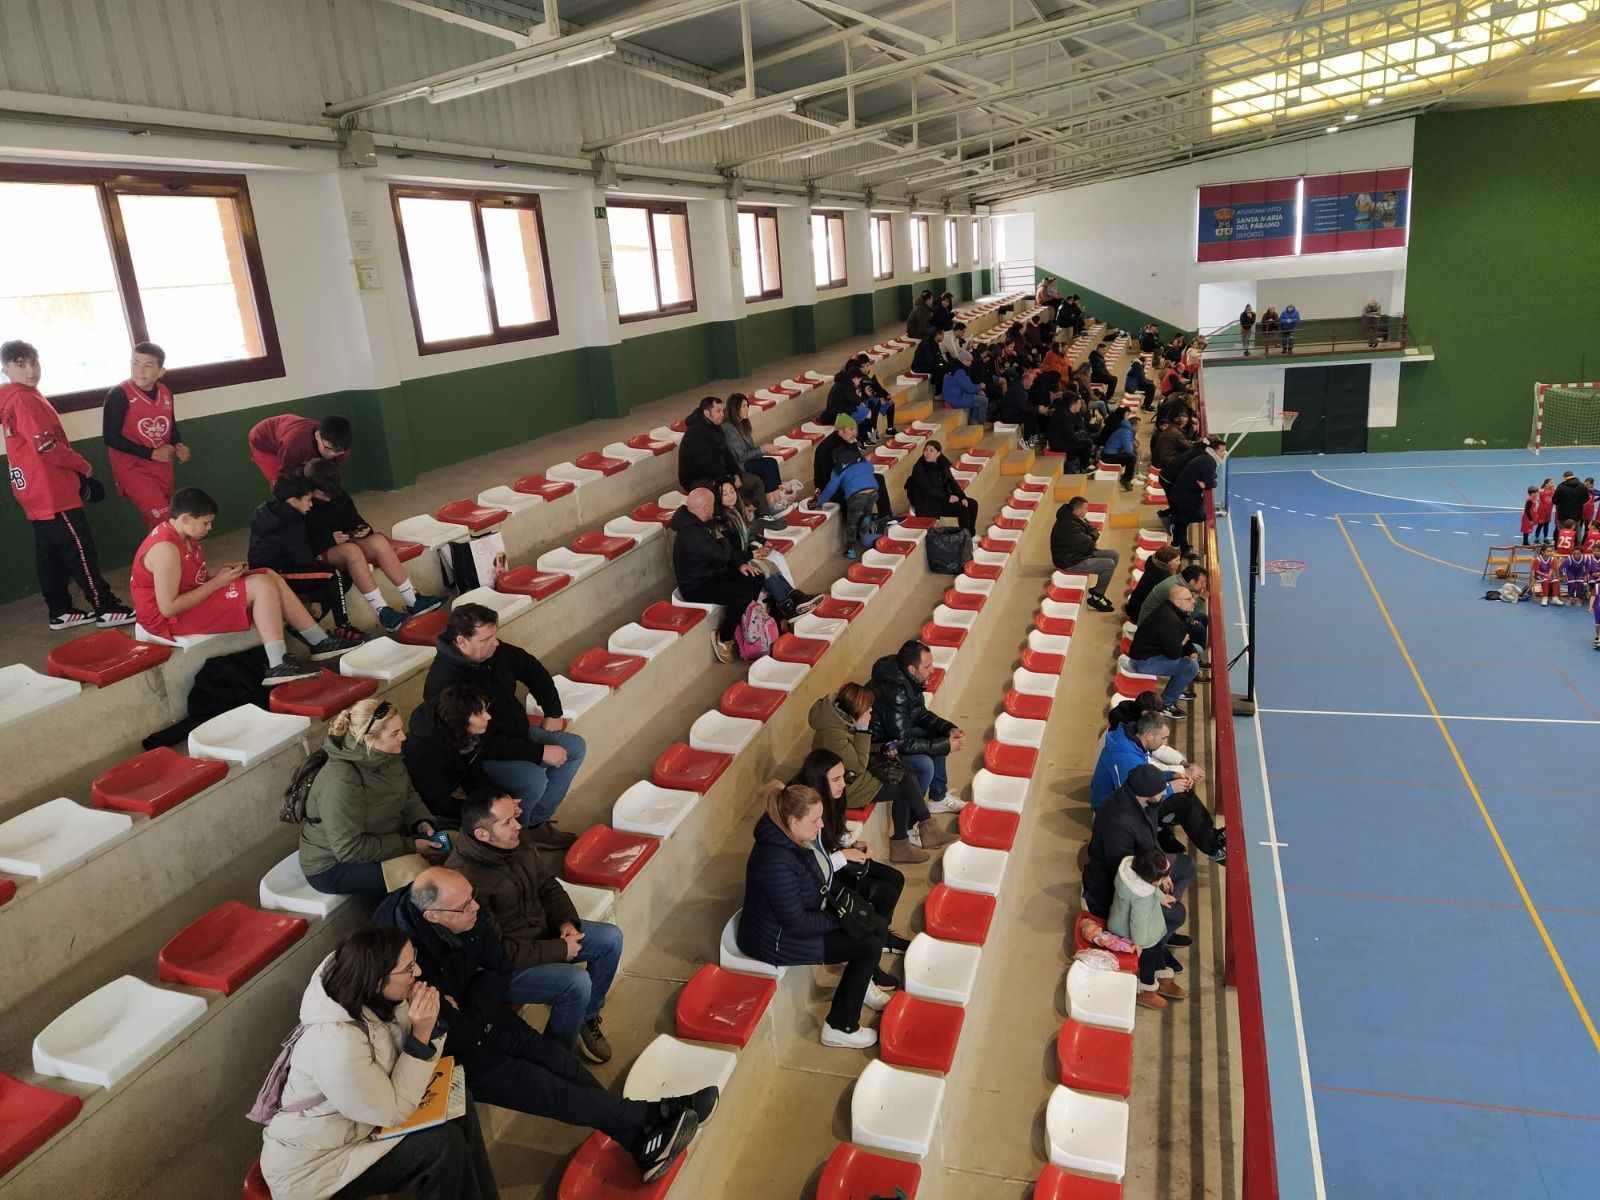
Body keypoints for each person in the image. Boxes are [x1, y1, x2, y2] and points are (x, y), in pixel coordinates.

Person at [375, 869, 712, 1182]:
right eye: (466, 906)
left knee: (560, 1062)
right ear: (433, 916)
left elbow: (498, 967)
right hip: (451, 1055)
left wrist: (470, 1004)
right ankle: (662, 1110)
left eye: (473, 896)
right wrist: (474, 1003)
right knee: (550, 1090)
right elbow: (456, 1032)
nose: (476, 907)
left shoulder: (461, 911)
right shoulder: (400, 954)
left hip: (485, 1016)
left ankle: (640, 1142)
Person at [255, 925, 499, 1200]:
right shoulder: (336, 1043)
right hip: (315, 1167)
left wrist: (429, 1024)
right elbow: (392, 1111)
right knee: (440, 1146)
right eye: (408, 968)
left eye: (414, 960)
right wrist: (422, 1033)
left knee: (459, 1101)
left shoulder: (379, 997)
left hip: (357, 1130)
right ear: (376, 980)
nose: (417, 972)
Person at [448, 788, 623, 1063]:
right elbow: (497, 952)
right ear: (482, 834)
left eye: (515, 817)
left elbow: (547, 886)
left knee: (610, 939)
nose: (518, 825)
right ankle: (555, 1057)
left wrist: (565, 921)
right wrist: (558, 949)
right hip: (504, 967)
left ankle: (586, 1017)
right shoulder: (465, 881)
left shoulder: (514, 841)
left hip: (540, 935)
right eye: (507, 822)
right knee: (576, 983)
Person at [131, 487, 361, 685]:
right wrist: (218, 583)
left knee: (266, 574)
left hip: (188, 601)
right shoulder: (165, 549)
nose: (209, 528)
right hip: (168, 621)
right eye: (206, 523)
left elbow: (188, 577)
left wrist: (217, 573)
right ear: (186, 518)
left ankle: (319, 642)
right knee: (260, 586)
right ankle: (277, 664)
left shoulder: (185, 536)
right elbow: (169, 607)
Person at [736, 782, 892, 1049]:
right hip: (776, 940)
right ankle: (840, 1027)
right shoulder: (775, 861)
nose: (821, 825)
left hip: (803, 915)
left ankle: (861, 982)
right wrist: (840, 919)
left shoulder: (792, 837)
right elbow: (796, 924)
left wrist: (847, 914)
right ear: (794, 822)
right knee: (867, 945)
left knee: (874, 924)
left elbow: (816, 880)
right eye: (815, 820)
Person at [422, 604, 586, 845]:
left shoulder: (492, 652)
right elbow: (478, 743)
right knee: (532, 779)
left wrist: (553, 712)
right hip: (479, 757)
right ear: (462, 641)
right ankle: (519, 839)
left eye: (495, 635)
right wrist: (539, 752)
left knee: (575, 747)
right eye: (487, 638)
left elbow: (532, 669)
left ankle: (533, 824)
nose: (496, 643)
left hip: (516, 733)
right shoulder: (445, 683)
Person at [1, 339, 135, 631]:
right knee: (80, 550)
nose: (30, 370)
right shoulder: (23, 399)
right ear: (6, 369)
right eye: (21, 365)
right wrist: (83, 467)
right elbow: (46, 445)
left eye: (34, 362)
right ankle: (106, 606)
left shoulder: (16, 398)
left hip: (34, 493)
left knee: (49, 555)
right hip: (53, 493)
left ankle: (60, 610)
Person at [299, 697, 446, 896]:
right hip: (333, 865)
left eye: (400, 729)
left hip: (380, 838)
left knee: (454, 840)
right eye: (395, 733)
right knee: (425, 877)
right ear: (369, 739)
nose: (403, 737)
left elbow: (408, 793)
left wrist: (420, 822)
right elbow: (349, 849)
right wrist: (410, 845)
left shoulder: (387, 755)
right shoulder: (341, 782)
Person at [1083, 765, 1192, 1008]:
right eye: (1160, 792)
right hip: (1112, 892)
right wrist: (1156, 893)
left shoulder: (1140, 801)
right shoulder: (1119, 823)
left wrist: (1161, 875)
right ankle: (1149, 974)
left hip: (1145, 872)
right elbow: (1125, 881)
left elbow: (1146, 846)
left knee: (1185, 866)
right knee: (1174, 914)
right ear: (1146, 795)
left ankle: (1162, 943)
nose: (1164, 794)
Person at [808, 683, 949, 864]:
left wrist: (881, 748)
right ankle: (912, 837)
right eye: (868, 708)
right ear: (856, 709)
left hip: (852, 777)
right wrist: (863, 730)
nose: (871, 710)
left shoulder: (839, 718)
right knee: (905, 782)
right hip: (844, 787)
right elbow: (857, 765)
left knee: (906, 775)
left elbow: (855, 752)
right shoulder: (833, 733)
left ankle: (917, 833)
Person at [791, 748, 912, 956]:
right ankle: (873, 940)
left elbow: (833, 834)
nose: (843, 784)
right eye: (836, 779)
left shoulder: (831, 798)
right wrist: (844, 855)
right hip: (824, 876)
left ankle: (880, 934)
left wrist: (852, 844)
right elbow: (812, 865)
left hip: (835, 857)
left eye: (843, 777)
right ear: (819, 781)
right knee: (885, 892)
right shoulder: (803, 811)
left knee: (896, 878)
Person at [303, 458, 442, 632]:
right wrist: (329, 540)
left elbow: (354, 520)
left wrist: (363, 530)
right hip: (318, 553)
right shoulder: (301, 502)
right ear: (311, 489)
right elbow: (299, 544)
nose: (329, 499)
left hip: (343, 542)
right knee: (351, 551)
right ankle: (382, 611)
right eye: (323, 494)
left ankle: (413, 599)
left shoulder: (337, 495)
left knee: (378, 541)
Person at [248, 472, 357, 638]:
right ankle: (343, 627)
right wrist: (316, 596)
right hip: (277, 573)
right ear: (293, 501)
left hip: (273, 570)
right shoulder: (290, 521)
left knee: (340, 575)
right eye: (308, 500)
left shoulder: (269, 512)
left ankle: (308, 625)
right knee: (334, 575)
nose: (311, 505)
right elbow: (304, 560)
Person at [868, 640, 967, 815]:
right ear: (912, 670)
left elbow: (919, 713)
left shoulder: (906, 678)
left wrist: (947, 729)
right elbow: (901, 742)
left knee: (935, 734)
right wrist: (946, 745)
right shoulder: (895, 692)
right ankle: (911, 823)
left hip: (895, 735)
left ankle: (939, 798)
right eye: (927, 667)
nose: (933, 670)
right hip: (879, 747)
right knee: (925, 765)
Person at [671, 486, 768, 661]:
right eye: (713, 504)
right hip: (697, 585)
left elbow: (725, 554)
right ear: (706, 508)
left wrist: (740, 564)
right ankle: (724, 637)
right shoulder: (691, 534)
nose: (715, 507)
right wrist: (722, 539)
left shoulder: (700, 521)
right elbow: (723, 555)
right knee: (742, 591)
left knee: (755, 577)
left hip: (713, 573)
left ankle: (744, 622)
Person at [102, 342, 189, 530]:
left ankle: (153, 558)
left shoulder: (165, 392)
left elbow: (170, 424)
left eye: (147, 366)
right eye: (135, 363)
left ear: (161, 371)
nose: (139, 371)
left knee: (164, 518)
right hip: (133, 468)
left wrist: (179, 444)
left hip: (162, 467)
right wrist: (150, 453)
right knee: (164, 519)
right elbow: (110, 437)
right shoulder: (119, 394)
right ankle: (172, 558)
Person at [713, 476, 821, 619]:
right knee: (764, 569)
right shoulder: (721, 521)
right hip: (734, 562)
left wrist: (762, 541)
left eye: (732, 491)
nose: (730, 496)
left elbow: (748, 533)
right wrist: (753, 554)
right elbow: (730, 551)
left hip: (744, 554)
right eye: (724, 494)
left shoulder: (736, 512)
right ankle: (786, 606)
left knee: (772, 565)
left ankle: (795, 597)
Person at [403, 684, 499, 823]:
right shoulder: (425, 753)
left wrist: (499, 798)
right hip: (424, 811)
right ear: (459, 719)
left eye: (485, 709)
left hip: (450, 792)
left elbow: (473, 774)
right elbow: (438, 805)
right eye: (478, 714)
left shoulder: (465, 734)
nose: (488, 717)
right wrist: (486, 812)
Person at [1110, 846, 1184, 1011]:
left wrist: (1160, 896)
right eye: (1162, 878)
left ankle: (1161, 974)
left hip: (1146, 924)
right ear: (1151, 879)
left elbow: (1151, 889)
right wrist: (1139, 942)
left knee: (1158, 947)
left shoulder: (1135, 875)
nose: (1164, 881)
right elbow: (1138, 921)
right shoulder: (1140, 897)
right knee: (1149, 957)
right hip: (1137, 931)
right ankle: (1146, 988)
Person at [1128, 585, 1201, 717]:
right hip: (1142, 662)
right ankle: (1167, 703)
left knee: (1198, 651)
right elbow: (1173, 654)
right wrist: (1182, 644)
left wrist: (1191, 651)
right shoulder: (1168, 619)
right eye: (1189, 599)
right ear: (1178, 602)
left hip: (1153, 654)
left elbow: (1182, 636)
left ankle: (1177, 688)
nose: (1194, 601)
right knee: (1190, 666)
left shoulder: (1176, 612)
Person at [721, 392, 796, 513]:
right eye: (743, 407)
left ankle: (776, 500)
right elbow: (740, 456)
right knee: (767, 466)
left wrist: (764, 450)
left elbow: (750, 450)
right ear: (735, 409)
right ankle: (771, 503)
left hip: (748, 461)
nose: (746, 410)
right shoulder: (729, 428)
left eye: (747, 406)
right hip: (739, 465)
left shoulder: (742, 424)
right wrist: (763, 449)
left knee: (771, 462)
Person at [1050, 496, 1119, 612]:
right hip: (1070, 561)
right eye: (1085, 508)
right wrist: (1092, 538)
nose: (1087, 511)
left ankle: (1097, 590)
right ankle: (1097, 597)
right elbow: (1088, 545)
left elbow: (1092, 531)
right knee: (1109, 564)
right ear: (1078, 510)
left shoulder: (1075, 518)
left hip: (1078, 554)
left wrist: (1092, 537)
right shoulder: (1069, 525)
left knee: (1114, 554)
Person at [817, 443, 884, 560]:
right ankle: (867, 518)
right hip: (873, 491)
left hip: (856, 496)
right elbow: (871, 468)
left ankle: (851, 550)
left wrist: (821, 501)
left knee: (851, 523)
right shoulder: (862, 461)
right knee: (868, 506)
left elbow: (831, 487)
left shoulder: (838, 468)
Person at [1165, 435, 1226, 557]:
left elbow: (1208, 479)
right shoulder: (1209, 461)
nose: (1224, 453)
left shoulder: (1206, 458)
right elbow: (1210, 482)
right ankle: (1171, 519)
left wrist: (1207, 482)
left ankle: (1183, 547)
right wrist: (1208, 482)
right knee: (1200, 515)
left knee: (1183, 522)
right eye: (1222, 450)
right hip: (1185, 495)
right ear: (1214, 450)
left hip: (1182, 493)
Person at [248, 413, 351, 484]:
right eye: (328, 448)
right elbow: (285, 477)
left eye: (337, 451)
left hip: (288, 428)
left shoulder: (342, 449)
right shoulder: (294, 445)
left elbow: (329, 477)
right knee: (282, 484)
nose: (332, 454)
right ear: (317, 436)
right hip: (263, 440)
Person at [676, 395, 745, 498]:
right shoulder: (696, 432)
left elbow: (726, 454)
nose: (722, 414)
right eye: (718, 411)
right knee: (727, 490)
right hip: (696, 479)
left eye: (723, 410)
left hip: (715, 474)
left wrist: (736, 473)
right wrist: (727, 478)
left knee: (755, 482)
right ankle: (733, 512)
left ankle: (752, 511)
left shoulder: (716, 426)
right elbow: (706, 464)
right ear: (707, 413)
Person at [905, 441, 978, 533]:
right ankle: (965, 539)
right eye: (926, 450)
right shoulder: (919, 468)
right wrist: (947, 497)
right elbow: (927, 490)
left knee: (972, 504)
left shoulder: (942, 463)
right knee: (962, 508)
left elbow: (951, 481)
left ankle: (970, 534)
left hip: (941, 499)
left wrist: (962, 496)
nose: (928, 453)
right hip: (928, 503)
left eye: (931, 450)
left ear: (938, 453)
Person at [1140, 564, 1210, 654]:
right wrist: (1201, 599)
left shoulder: (1177, 580)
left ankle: (1192, 651)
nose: (1204, 586)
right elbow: (1184, 618)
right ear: (1192, 582)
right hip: (1151, 628)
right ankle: (1191, 653)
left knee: (1202, 617)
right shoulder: (1175, 590)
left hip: (1157, 618)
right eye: (1202, 583)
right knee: (1198, 628)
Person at [1125, 545, 1181, 622]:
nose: (1179, 563)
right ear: (1168, 562)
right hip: (1139, 613)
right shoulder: (1162, 577)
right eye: (1177, 560)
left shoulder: (1153, 562)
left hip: (1133, 605)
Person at [1099, 414, 1139, 491]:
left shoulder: (1126, 430)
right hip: (1108, 457)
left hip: (1111, 454)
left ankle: (1132, 475)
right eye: (1138, 426)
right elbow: (1128, 451)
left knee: (1135, 453)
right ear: (1133, 425)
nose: (1139, 428)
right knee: (1132, 457)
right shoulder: (1126, 432)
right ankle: (1126, 479)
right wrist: (1133, 444)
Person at [941, 358, 987, 425]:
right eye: (968, 360)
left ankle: (974, 422)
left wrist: (977, 390)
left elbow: (966, 386)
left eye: (971, 361)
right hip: (957, 399)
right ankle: (981, 423)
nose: (970, 363)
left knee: (979, 398)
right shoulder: (959, 372)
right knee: (984, 401)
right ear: (962, 361)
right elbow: (969, 388)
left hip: (951, 397)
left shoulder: (953, 369)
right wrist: (980, 386)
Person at [1534, 478, 1555, 544]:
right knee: (1540, 525)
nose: (1552, 484)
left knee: (1546, 525)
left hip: (1549, 511)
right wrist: (1538, 501)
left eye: (1553, 482)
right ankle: (1536, 539)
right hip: (1542, 511)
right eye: (1551, 482)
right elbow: (1533, 494)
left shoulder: (1553, 490)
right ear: (1546, 484)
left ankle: (1545, 538)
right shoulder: (1542, 491)